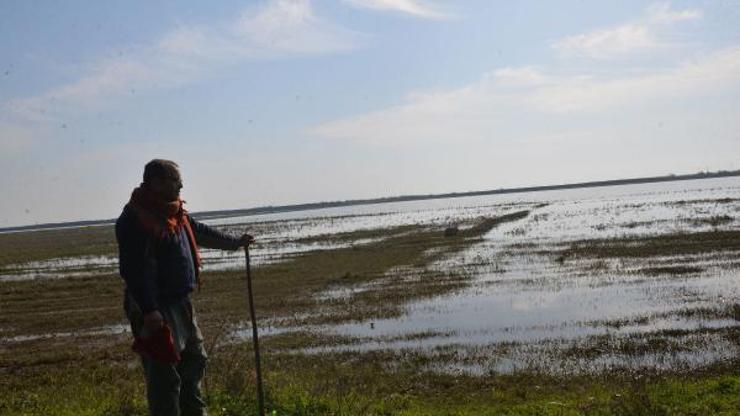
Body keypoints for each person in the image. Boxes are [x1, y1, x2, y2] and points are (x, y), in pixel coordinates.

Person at [116, 159, 254, 416]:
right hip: (156, 310)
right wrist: (149, 310)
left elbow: (200, 232)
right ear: (156, 183)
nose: (181, 185)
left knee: (194, 363)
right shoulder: (136, 218)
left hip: (182, 303)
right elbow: (133, 270)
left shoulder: (175, 213)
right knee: (164, 377)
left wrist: (236, 243)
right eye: (175, 180)